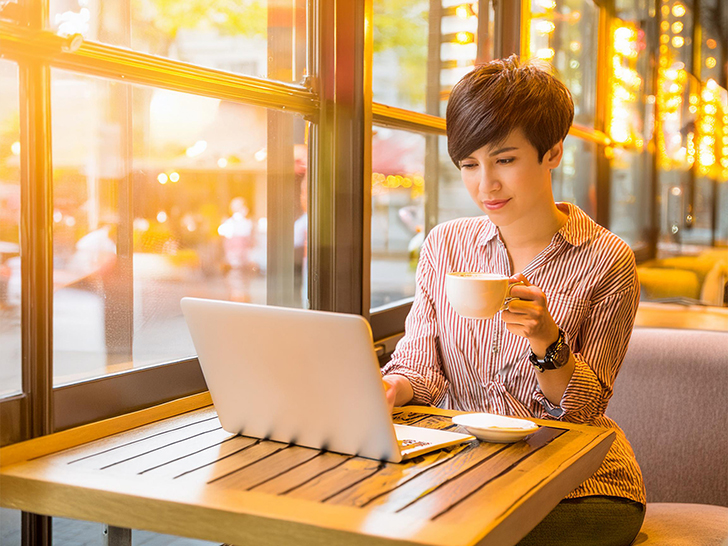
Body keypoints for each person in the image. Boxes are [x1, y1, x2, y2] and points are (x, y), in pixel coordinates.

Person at [381, 56, 645, 546]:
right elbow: (420, 365)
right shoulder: (445, 245)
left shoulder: (607, 259)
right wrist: (392, 388)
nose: (486, 185)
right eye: (469, 165)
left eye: (504, 160)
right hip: (464, 470)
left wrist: (547, 339)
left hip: (578, 487)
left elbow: (585, 411)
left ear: (553, 153)